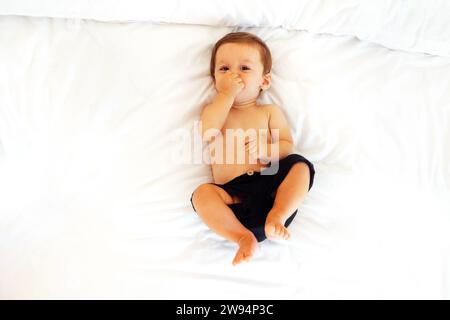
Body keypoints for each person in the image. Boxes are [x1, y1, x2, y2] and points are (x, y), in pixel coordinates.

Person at [190, 32, 315, 265]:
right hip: (233, 196)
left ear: (264, 82)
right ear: (214, 79)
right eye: (224, 69)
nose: (234, 75)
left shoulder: (268, 112)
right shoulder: (214, 110)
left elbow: (287, 146)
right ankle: (243, 237)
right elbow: (208, 132)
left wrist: (268, 150)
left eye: (245, 68)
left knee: (300, 165)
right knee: (202, 194)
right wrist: (226, 95)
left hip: (271, 189)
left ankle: (278, 215)